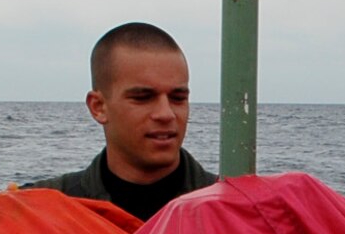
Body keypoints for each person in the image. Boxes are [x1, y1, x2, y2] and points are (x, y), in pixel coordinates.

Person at [25, 22, 217, 221]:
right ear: (98, 107)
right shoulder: (39, 213)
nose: (165, 114)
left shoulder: (236, 210)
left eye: (178, 98)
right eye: (143, 98)